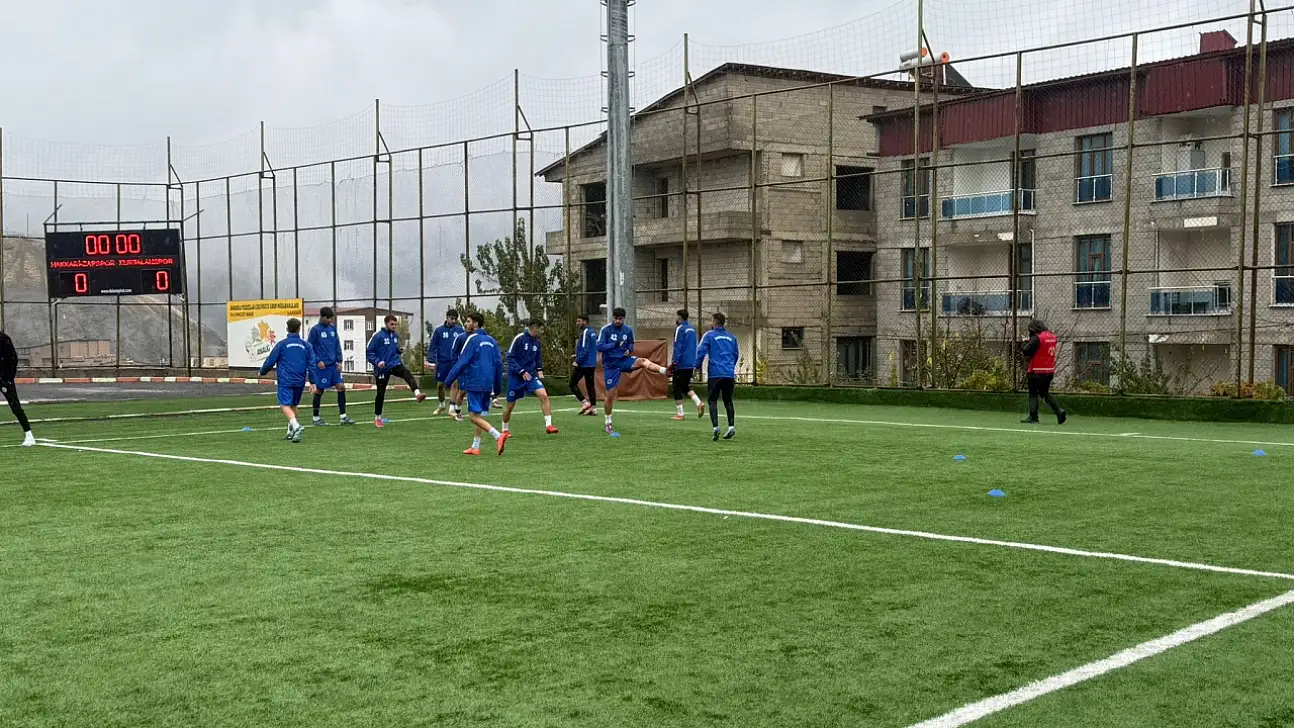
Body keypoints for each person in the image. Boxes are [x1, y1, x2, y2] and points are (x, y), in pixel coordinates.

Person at [597, 306, 668, 436]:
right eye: (616, 318)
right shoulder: (606, 330)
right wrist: (614, 345)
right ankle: (608, 423)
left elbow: (631, 344)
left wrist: (629, 350)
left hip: (624, 360)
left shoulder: (627, 330)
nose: (618, 321)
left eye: (620, 319)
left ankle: (665, 371)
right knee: (611, 395)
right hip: (610, 365)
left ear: (624, 318)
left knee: (642, 361)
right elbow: (599, 346)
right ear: (613, 318)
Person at [444, 312, 507, 456]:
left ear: (476, 324)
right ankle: (475, 446)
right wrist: (497, 387)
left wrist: (449, 380)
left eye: (468, 321)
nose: (465, 324)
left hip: (474, 382)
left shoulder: (472, 339)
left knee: (473, 417)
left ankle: (498, 435)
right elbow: (498, 364)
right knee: (480, 416)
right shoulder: (492, 341)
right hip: (488, 383)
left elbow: (462, 362)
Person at [258, 317, 316, 443]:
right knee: (293, 405)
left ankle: (296, 426)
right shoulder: (306, 345)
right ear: (299, 329)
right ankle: (290, 432)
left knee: (284, 405)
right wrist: (313, 382)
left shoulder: (282, 345)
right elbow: (312, 364)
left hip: (285, 380)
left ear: (287, 329)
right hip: (300, 380)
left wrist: (262, 371)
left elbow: (270, 360)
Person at [366, 314, 425, 429]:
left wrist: (398, 350)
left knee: (406, 373)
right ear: (386, 324)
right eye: (392, 324)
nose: (394, 326)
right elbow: (369, 352)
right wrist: (378, 362)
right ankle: (377, 418)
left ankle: (417, 394)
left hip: (394, 363)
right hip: (382, 367)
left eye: (395, 324)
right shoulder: (377, 336)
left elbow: (392, 349)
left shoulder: (395, 335)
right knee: (380, 393)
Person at [502, 318, 560, 436]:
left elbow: (537, 358)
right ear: (534, 328)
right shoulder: (519, 339)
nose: (542, 332)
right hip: (516, 377)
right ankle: (505, 429)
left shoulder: (537, 343)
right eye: (541, 329)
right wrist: (521, 371)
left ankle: (549, 425)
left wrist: (539, 370)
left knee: (543, 395)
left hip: (531, 376)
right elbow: (510, 357)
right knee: (510, 405)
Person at [307, 307, 356, 426]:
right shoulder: (315, 330)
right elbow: (310, 347)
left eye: (331, 318)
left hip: (333, 366)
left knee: (341, 387)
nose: (330, 320)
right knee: (319, 390)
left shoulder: (333, 329)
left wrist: (339, 361)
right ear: (322, 317)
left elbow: (337, 345)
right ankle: (316, 418)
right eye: (328, 318)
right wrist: (317, 360)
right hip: (322, 367)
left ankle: (343, 417)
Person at [695, 312, 740, 441]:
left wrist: (697, 366)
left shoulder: (709, 335)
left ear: (714, 322)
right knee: (728, 400)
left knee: (712, 400)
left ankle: (716, 427)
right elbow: (735, 354)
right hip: (729, 373)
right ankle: (731, 426)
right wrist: (730, 366)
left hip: (715, 373)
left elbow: (701, 351)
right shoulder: (732, 337)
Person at [1021, 319, 1067, 425]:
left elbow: (1027, 351)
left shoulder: (1036, 338)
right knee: (1044, 393)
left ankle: (1033, 417)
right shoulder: (1052, 336)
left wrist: (1024, 342)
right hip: (1049, 371)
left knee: (1033, 394)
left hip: (1036, 371)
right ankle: (1059, 411)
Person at [0, 329, 35, 447]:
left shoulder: (4, 339)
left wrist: (7, 378)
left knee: (15, 406)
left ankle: (29, 435)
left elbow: (13, 359)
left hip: (5, 379)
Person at [669, 309, 705, 420]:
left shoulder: (680, 329)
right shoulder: (691, 329)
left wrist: (674, 362)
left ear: (679, 317)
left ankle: (680, 414)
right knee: (685, 386)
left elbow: (678, 347)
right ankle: (698, 403)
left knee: (676, 387)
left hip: (681, 363)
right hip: (690, 363)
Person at [428, 309, 465, 417]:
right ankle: (442, 405)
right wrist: (431, 360)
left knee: (455, 384)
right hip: (442, 362)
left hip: (455, 362)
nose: (453, 321)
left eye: (455, 319)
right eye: (451, 318)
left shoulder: (460, 330)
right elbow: (433, 346)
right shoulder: (439, 331)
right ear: (447, 317)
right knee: (440, 386)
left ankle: (452, 408)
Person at [570, 313, 599, 416]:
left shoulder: (585, 332)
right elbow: (591, 347)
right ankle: (594, 408)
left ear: (585, 322)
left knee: (572, 383)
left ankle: (585, 403)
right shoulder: (593, 332)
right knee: (590, 385)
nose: (577, 323)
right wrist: (577, 354)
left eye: (579, 321)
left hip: (584, 364)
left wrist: (578, 360)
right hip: (591, 363)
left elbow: (585, 348)